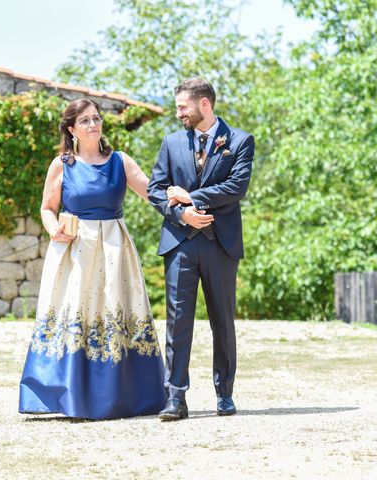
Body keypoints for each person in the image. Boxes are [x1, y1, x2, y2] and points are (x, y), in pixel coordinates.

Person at [19, 99, 166, 420]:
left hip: (115, 248)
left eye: (96, 118)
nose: (93, 124)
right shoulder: (61, 165)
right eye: (85, 121)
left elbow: (154, 192)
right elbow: (47, 207)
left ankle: (124, 395)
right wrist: (53, 228)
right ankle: (67, 394)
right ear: (71, 129)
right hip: (74, 250)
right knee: (76, 313)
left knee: (115, 310)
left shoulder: (120, 161)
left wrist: (184, 199)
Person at [147, 77, 254, 420]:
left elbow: (237, 186)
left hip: (221, 245)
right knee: (177, 322)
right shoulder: (171, 142)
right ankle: (175, 398)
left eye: (183, 106)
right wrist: (182, 213)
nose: (178, 113)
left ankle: (224, 394)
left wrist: (193, 197)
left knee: (222, 321)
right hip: (180, 243)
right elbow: (155, 189)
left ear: (203, 104)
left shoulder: (239, 141)